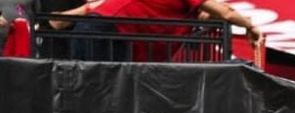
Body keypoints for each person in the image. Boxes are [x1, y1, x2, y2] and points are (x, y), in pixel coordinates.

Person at [50, 0, 262, 61]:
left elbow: (219, 13)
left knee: (94, 95)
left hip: (103, 32)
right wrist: (250, 26)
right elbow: (226, 12)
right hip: (106, 34)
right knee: (101, 97)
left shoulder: (183, 15)